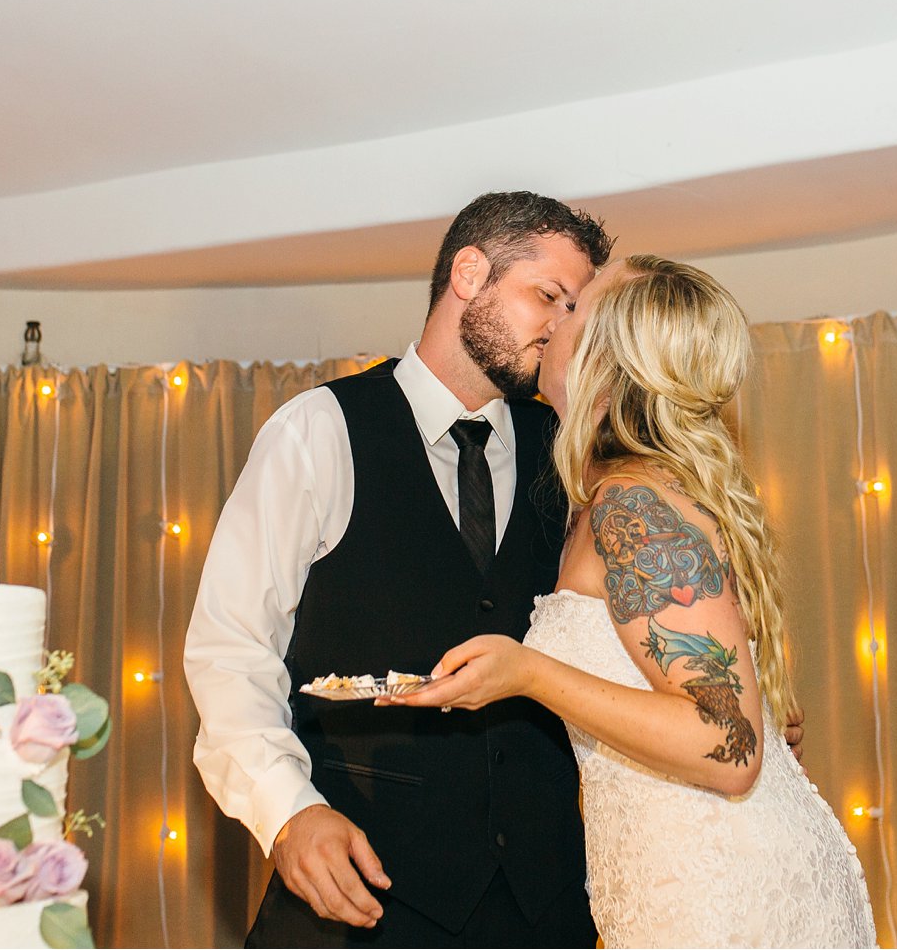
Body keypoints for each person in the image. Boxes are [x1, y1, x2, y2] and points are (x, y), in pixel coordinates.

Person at [387, 253, 874, 950]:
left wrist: (528, 673)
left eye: (575, 306)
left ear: (608, 358)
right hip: (664, 872)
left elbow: (728, 744)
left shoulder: (633, 505)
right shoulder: (608, 495)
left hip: (717, 887)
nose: (555, 319)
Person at [183, 191, 613, 946]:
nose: (560, 325)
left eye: (573, 307)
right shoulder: (317, 430)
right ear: (470, 273)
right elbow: (230, 648)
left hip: (544, 913)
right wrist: (289, 811)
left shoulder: (572, 453)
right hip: (362, 901)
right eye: (547, 295)